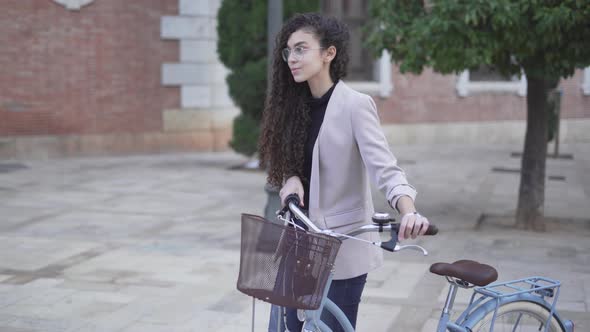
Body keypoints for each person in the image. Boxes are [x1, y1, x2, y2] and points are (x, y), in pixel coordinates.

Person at [258, 12, 430, 332]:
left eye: (301, 49)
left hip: (342, 250)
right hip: (298, 243)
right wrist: (291, 180)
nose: (291, 58)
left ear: (329, 53)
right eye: (288, 51)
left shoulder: (355, 105)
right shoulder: (293, 106)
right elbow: (290, 168)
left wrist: (409, 212)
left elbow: (386, 169)